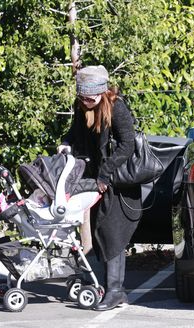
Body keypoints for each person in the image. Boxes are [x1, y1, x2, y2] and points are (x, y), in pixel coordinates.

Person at [57, 65, 142, 311]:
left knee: (111, 233)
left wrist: (106, 174)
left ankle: (115, 291)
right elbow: (75, 132)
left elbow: (127, 145)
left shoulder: (116, 107)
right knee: (97, 232)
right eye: (82, 97)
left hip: (118, 181)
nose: (86, 101)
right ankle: (106, 287)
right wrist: (66, 142)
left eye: (90, 96)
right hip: (95, 178)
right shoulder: (82, 107)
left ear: (101, 92)